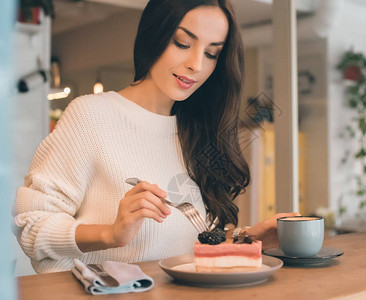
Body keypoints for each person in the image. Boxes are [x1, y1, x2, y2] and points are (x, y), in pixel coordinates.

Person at [13, 0, 298, 273]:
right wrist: (111, 234)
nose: (196, 65)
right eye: (183, 43)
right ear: (155, 34)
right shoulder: (91, 116)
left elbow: (186, 247)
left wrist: (246, 239)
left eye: (211, 54)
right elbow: (31, 224)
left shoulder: (198, 131)